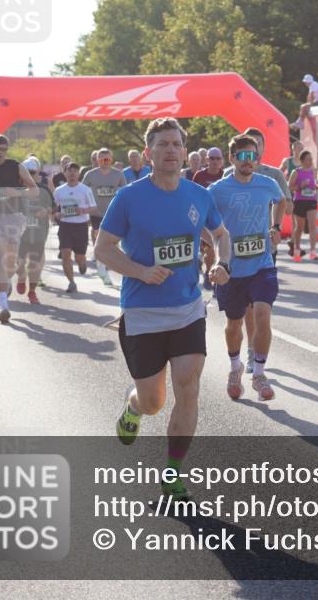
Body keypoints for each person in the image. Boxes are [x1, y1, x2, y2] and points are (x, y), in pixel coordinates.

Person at [95, 117, 230, 500]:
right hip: (142, 313)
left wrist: (223, 263)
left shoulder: (199, 195)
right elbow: (103, 249)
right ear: (148, 152)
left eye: (176, 144)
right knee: (153, 402)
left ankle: (173, 472)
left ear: (184, 152)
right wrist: (140, 271)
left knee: (188, 387)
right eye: (162, 144)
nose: (170, 150)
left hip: (187, 308)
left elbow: (220, 234)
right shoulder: (129, 198)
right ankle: (134, 408)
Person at [209, 133, 286, 402]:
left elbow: (281, 201)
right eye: (242, 156)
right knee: (234, 324)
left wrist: (276, 227)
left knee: (263, 314)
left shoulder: (267, 184)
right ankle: (235, 367)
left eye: (253, 156)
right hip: (232, 270)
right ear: (232, 158)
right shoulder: (217, 190)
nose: (248, 161)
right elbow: (205, 222)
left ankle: (259, 374)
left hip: (262, 264)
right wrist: (218, 257)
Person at [0, 134, 39, 324]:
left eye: (4, 149)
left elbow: (34, 191)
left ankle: (8, 281)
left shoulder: (16, 166)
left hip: (14, 217)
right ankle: (3, 306)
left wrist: (16, 192)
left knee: (10, 261)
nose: (1, 152)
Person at [82, 148, 127, 286]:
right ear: (97, 160)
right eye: (102, 159)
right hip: (96, 212)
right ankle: (102, 269)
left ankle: (109, 265)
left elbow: (126, 191)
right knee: (99, 237)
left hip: (113, 212)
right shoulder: (90, 174)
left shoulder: (118, 174)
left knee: (113, 242)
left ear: (111, 160)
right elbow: (82, 190)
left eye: (107, 159)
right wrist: (86, 207)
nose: (105, 162)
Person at [53, 164, 98, 294]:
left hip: (81, 226)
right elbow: (54, 207)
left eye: (75, 171)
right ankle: (71, 282)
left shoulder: (85, 190)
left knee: (79, 256)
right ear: (65, 173)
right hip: (65, 225)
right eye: (69, 171)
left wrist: (82, 210)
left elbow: (94, 207)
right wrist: (56, 214)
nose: (72, 174)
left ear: (79, 174)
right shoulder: (59, 190)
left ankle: (82, 263)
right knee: (65, 254)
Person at [16, 158, 54, 304]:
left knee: (34, 264)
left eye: (32, 172)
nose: (30, 175)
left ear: (38, 172)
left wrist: (46, 211)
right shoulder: (17, 190)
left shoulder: (44, 190)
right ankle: (21, 278)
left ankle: (32, 291)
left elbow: (54, 208)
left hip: (39, 232)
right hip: (20, 233)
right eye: (27, 172)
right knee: (18, 263)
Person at [192, 147, 227, 290]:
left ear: (222, 161)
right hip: (205, 221)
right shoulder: (199, 175)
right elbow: (193, 196)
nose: (215, 161)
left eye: (218, 158)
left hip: (222, 219)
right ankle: (208, 271)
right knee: (211, 251)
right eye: (212, 158)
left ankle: (219, 278)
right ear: (207, 160)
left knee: (223, 249)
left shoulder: (225, 175)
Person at [288, 150, 318, 261]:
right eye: (308, 159)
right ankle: (296, 249)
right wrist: (300, 186)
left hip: (311, 200)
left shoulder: (313, 171)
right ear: (301, 161)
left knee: (312, 226)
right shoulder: (296, 172)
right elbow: (289, 187)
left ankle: (313, 251)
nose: (310, 161)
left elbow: (315, 184)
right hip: (299, 201)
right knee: (299, 227)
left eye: (311, 159)